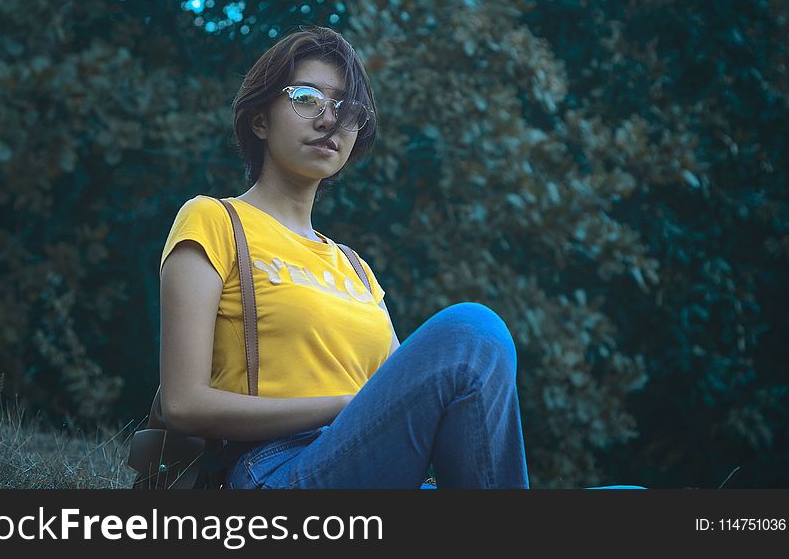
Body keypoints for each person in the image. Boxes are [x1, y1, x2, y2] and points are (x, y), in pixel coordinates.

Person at [158, 25, 635, 489]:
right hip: (274, 470)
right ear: (260, 119)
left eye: (346, 108)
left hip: (378, 471)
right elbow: (184, 404)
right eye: (306, 98)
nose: (329, 120)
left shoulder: (355, 269)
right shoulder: (215, 221)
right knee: (472, 330)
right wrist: (345, 407)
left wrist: (364, 413)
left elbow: (408, 404)